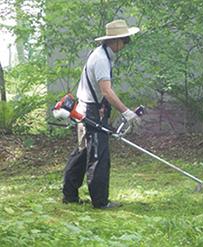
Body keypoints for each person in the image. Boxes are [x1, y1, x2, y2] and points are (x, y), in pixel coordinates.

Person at [62, 19, 141, 209]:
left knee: (83, 152)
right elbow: (106, 91)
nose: (125, 44)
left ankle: (70, 195)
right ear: (115, 41)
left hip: (85, 107)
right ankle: (100, 202)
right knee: (99, 155)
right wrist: (127, 112)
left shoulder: (100, 55)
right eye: (125, 40)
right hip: (91, 111)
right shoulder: (101, 60)